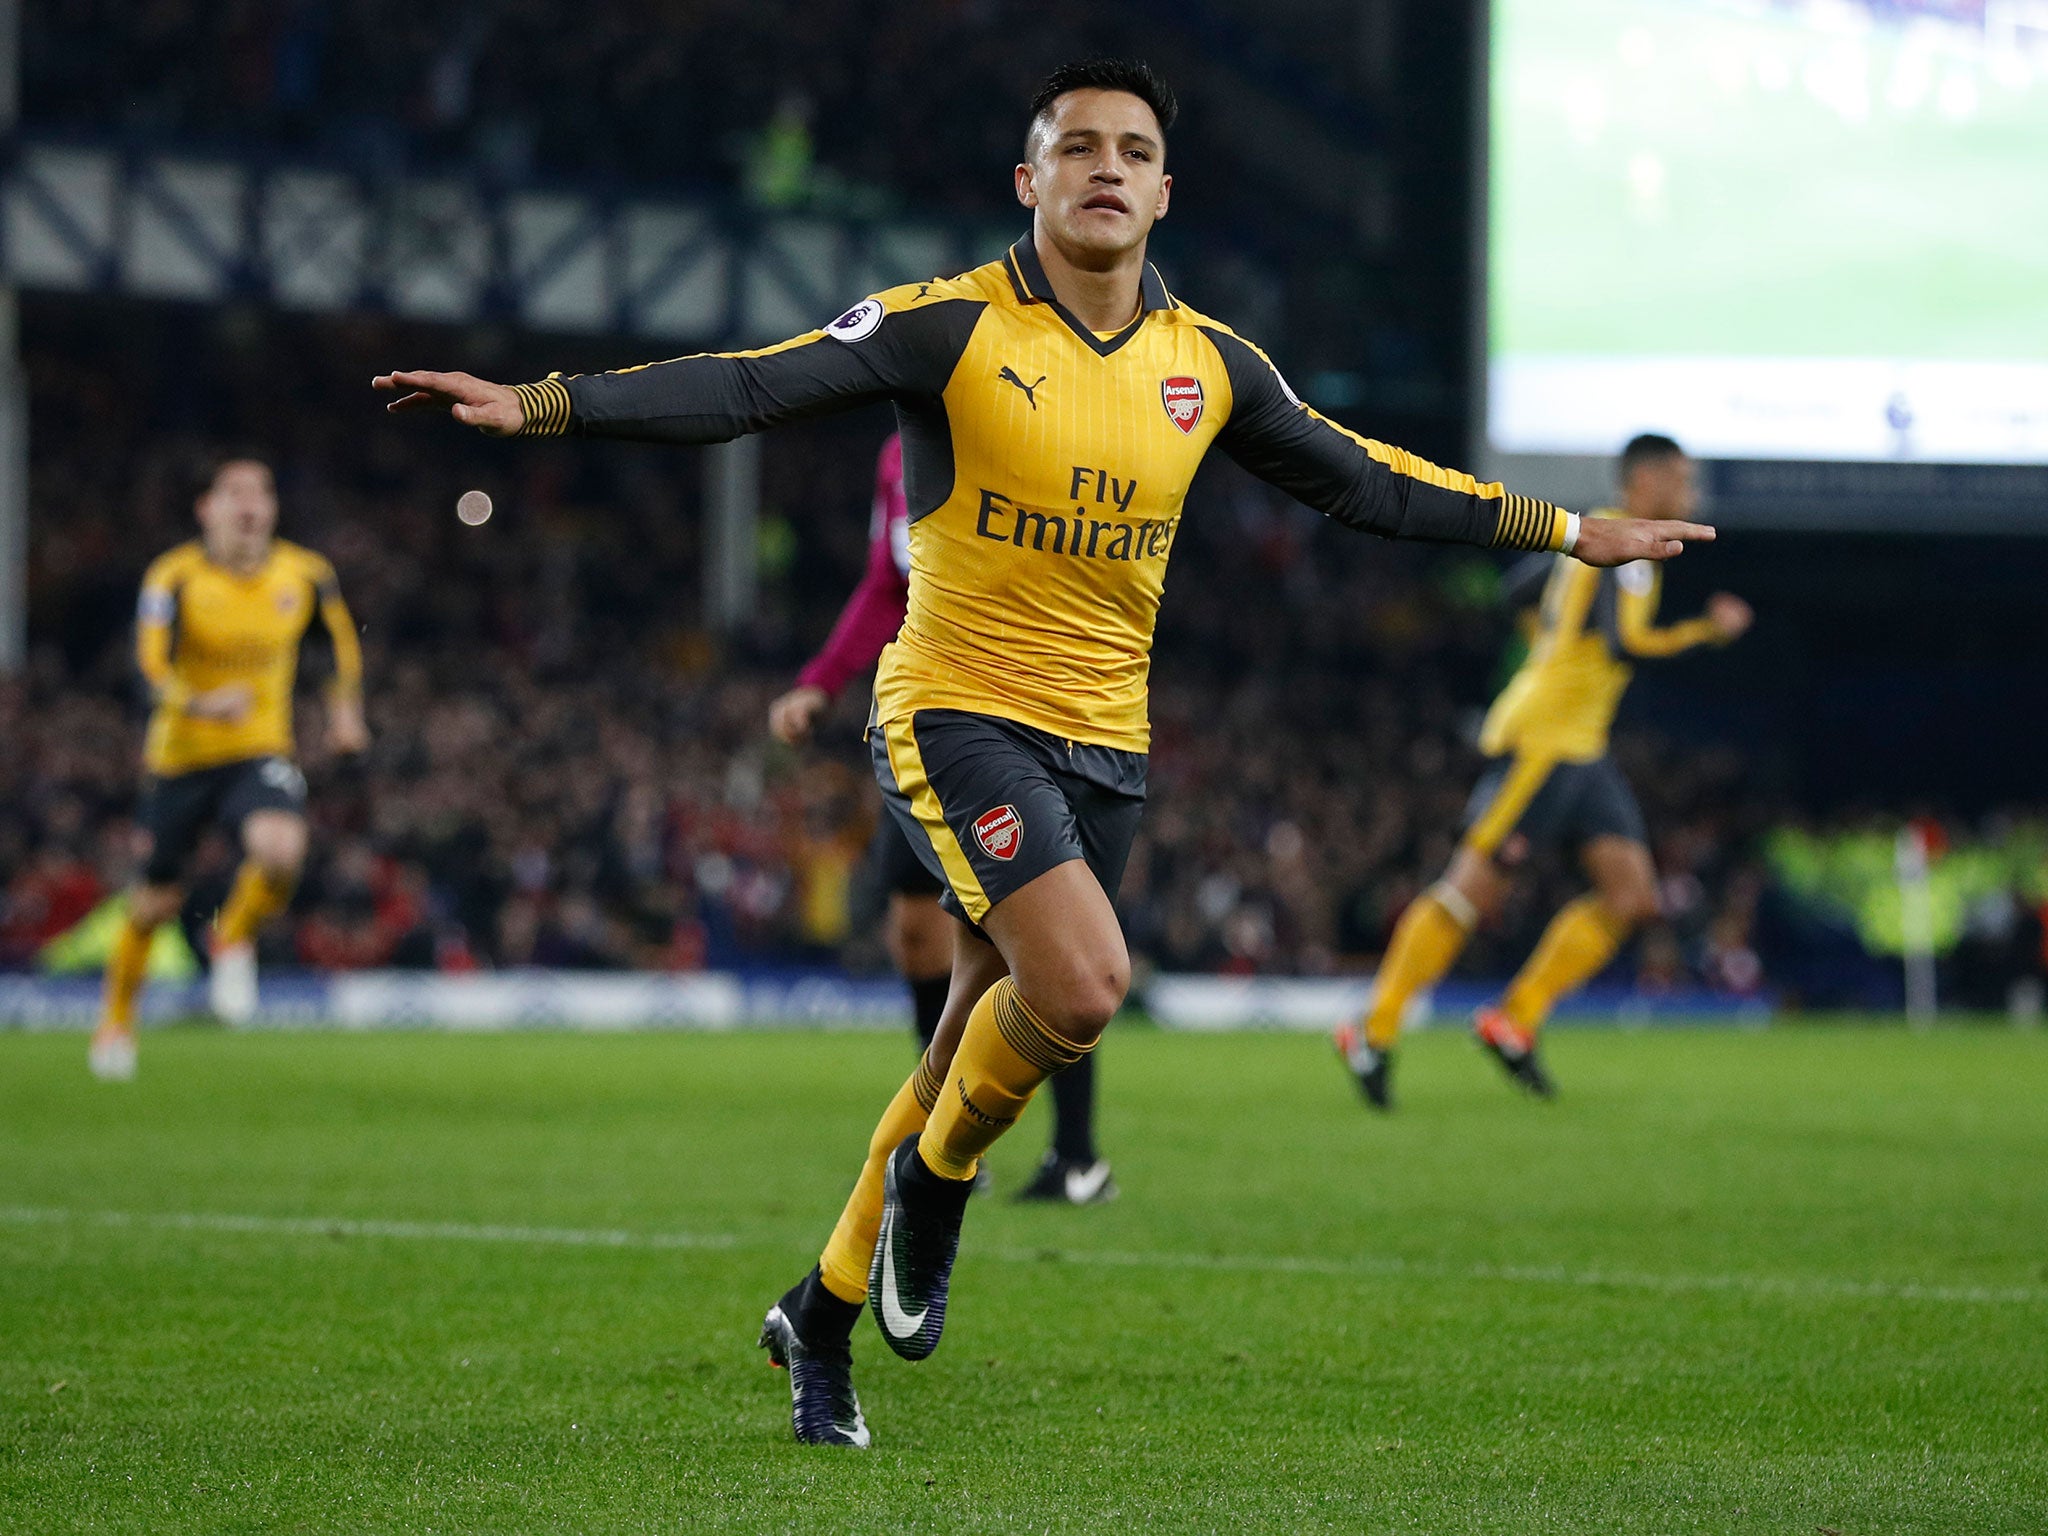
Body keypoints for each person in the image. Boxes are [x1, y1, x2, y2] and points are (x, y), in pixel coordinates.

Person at [375, 58, 1711, 1448]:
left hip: (1108, 746)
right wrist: (541, 405)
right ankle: (939, 1188)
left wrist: (1567, 528)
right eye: (1078, 146)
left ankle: (819, 1322)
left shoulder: (1210, 365)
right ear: (1032, 180)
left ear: (1165, 191)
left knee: (967, 1035)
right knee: (1081, 987)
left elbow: (1367, 481)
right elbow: (748, 387)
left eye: (1133, 149)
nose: (1107, 167)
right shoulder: (946, 325)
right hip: (955, 710)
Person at [1335, 434, 1752, 1109]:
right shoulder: (1627, 543)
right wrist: (1709, 631)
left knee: (1633, 897)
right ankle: (1373, 1029)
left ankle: (1514, 1018)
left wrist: (1548, 647)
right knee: (1470, 891)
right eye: (1682, 478)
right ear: (1645, 482)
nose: (1690, 491)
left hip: (1580, 745)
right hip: (1545, 741)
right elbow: (1627, 642)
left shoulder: (1592, 533)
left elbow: (1519, 589)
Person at [767, 434, 1115, 1205]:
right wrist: (820, 683)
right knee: (918, 932)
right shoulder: (897, 455)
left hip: (1023, 719)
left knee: (1046, 939)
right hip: (931, 718)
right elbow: (885, 589)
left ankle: (1078, 1156)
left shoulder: (1026, 428)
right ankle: (954, 1140)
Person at [89, 456, 368, 1082]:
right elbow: (145, 667)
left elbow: (339, 645)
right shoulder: (174, 577)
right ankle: (114, 1022)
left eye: (262, 493)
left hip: (259, 748)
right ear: (206, 509)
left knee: (279, 849)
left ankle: (233, 935)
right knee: (153, 903)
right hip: (180, 756)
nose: (250, 506)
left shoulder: (305, 573)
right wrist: (196, 701)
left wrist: (345, 712)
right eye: (235, 493)